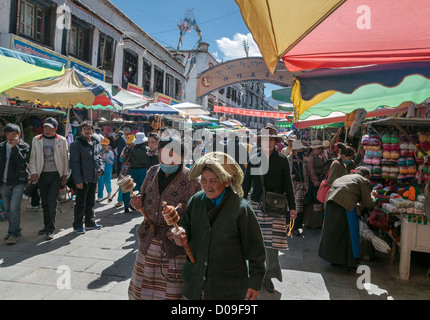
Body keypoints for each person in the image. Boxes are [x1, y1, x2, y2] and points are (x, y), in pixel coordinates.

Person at [171, 151, 265, 300]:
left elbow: (256, 250)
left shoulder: (241, 209)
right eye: (204, 180)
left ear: (227, 181)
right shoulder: (195, 201)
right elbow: (185, 226)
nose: (207, 186)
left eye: (213, 181)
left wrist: (254, 282)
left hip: (228, 289)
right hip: (195, 283)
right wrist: (180, 234)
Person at [128, 138, 201, 300]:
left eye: (171, 154)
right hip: (148, 238)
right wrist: (136, 202)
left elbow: (198, 214)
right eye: (161, 154)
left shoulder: (193, 179)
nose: (165, 159)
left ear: (182, 157)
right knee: (142, 289)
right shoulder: (152, 171)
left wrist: (182, 232)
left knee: (170, 291)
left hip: (174, 244)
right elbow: (142, 197)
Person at [242, 125, 296, 293]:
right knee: (256, 243)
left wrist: (292, 207)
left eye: (271, 139)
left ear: (275, 141)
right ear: (260, 141)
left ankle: (268, 277)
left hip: (277, 208)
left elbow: (288, 184)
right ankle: (255, 275)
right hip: (257, 206)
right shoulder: (253, 159)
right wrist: (240, 204)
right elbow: (246, 184)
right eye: (265, 139)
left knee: (273, 246)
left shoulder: (282, 160)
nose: (269, 142)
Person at [319, 167, 378, 271]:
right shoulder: (363, 180)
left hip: (330, 205)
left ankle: (334, 260)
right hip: (345, 207)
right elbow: (369, 203)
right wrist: (374, 196)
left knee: (335, 234)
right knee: (349, 234)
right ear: (366, 176)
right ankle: (349, 263)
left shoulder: (345, 177)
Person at [28, 117, 69, 240]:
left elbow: (65, 159)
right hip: (42, 175)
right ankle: (47, 226)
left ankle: (51, 229)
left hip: (56, 175)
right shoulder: (36, 139)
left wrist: (64, 174)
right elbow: (33, 157)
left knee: (51, 202)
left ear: (55, 128)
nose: (47, 130)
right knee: (45, 202)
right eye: (45, 127)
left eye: (50, 128)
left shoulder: (61, 140)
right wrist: (33, 173)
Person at [70, 121, 104, 234]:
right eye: (85, 128)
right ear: (81, 131)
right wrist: (78, 180)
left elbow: (98, 157)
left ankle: (90, 223)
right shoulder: (76, 144)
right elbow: (74, 163)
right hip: (82, 179)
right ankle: (78, 225)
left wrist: (101, 168)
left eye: (90, 129)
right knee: (80, 203)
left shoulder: (95, 142)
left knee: (90, 202)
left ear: (93, 131)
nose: (87, 131)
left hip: (93, 177)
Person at [0, 124, 30, 244]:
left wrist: (15, 148)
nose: (10, 136)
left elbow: (23, 163)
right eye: (8, 134)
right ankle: (14, 230)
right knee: (8, 208)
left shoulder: (24, 146)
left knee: (14, 207)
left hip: (18, 181)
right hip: (4, 182)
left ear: (18, 134)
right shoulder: (1, 147)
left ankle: (13, 233)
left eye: (13, 134)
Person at [122, 132, 149, 213]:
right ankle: (144, 206)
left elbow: (126, 159)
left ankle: (126, 206)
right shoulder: (147, 149)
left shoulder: (132, 149)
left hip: (133, 170)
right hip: (144, 171)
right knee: (144, 189)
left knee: (131, 188)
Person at [287, 139, 309, 236]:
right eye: (299, 150)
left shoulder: (303, 160)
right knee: (291, 208)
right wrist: (289, 177)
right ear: (295, 150)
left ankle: (296, 227)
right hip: (292, 185)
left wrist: (306, 185)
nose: (301, 152)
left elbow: (306, 174)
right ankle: (290, 227)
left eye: (302, 150)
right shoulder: (288, 159)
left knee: (299, 209)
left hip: (301, 185)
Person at [303, 140, 326, 229]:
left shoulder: (318, 156)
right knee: (312, 202)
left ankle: (317, 222)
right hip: (314, 182)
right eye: (318, 148)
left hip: (320, 181)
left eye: (320, 148)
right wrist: (315, 180)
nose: (320, 150)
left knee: (318, 201)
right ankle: (311, 222)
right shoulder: (311, 158)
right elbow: (310, 170)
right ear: (313, 149)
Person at [115, 134, 135, 208]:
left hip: (132, 169)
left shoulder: (135, 149)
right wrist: (123, 158)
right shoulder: (125, 149)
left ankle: (132, 202)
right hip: (124, 168)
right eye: (127, 143)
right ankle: (120, 200)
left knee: (132, 185)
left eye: (130, 144)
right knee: (122, 184)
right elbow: (120, 159)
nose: (128, 145)